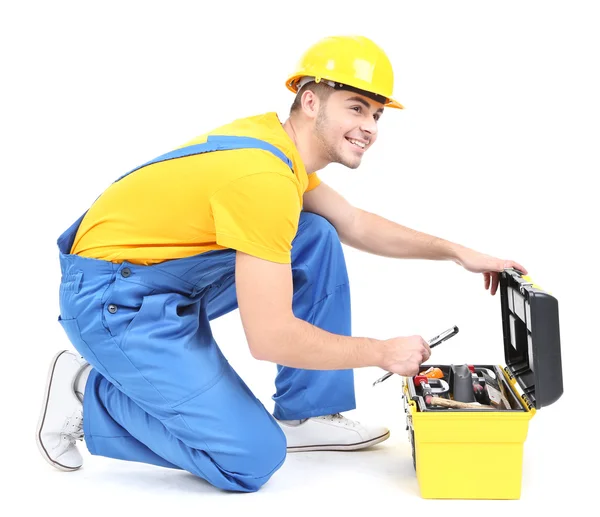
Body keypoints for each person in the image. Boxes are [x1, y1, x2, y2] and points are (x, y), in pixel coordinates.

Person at [36, 35, 527, 493]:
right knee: (251, 460)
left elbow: (354, 222)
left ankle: (307, 413)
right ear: (310, 100)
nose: (370, 128)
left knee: (312, 233)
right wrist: (381, 351)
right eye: (356, 108)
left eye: (377, 114)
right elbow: (268, 337)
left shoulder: (277, 148)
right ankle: (86, 391)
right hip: (113, 302)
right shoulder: (262, 177)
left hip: (155, 278)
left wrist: (457, 252)